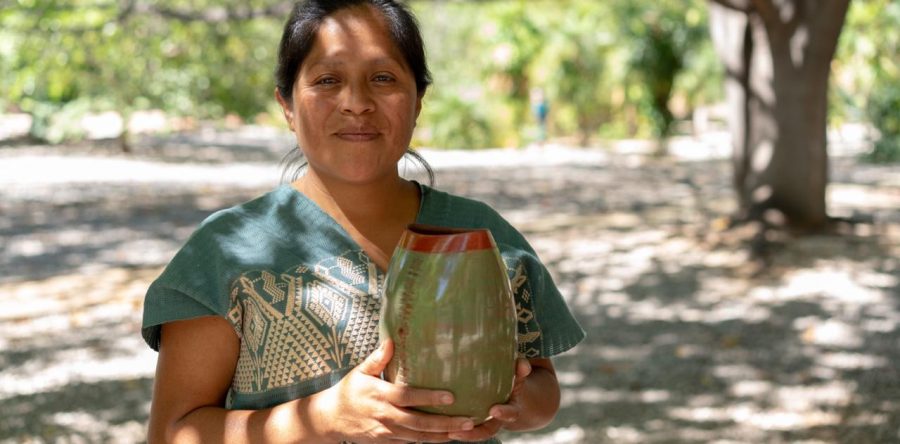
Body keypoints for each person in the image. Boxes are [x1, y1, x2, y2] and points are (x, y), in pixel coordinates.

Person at [141, 1, 585, 442]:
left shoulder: (482, 234)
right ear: (287, 105)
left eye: (383, 78)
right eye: (327, 80)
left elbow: (542, 388)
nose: (356, 103)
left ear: (418, 101)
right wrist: (325, 417)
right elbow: (172, 433)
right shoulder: (228, 251)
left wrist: (510, 400)